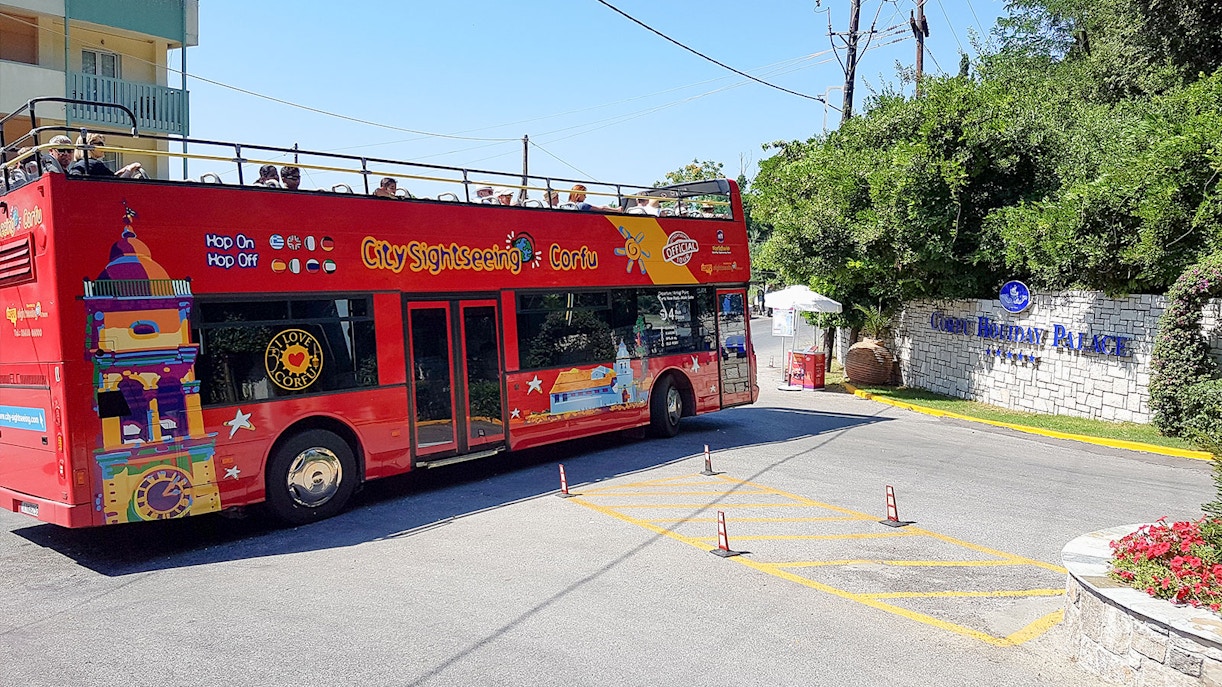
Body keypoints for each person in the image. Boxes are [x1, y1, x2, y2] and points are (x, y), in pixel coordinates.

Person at [68, 133, 142, 178]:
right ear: (89, 146)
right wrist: (130, 169)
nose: (104, 147)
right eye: (100, 144)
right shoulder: (95, 165)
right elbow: (116, 185)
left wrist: (123, 171)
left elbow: (111, 178)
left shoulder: (80, 165)